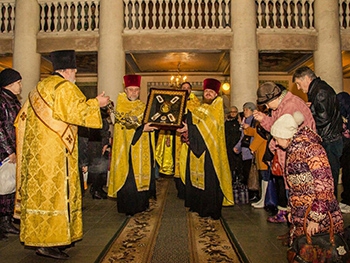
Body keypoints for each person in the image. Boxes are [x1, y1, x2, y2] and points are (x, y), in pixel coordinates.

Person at [15, 50, 110, 259]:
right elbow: (77, 112)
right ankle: (48, 244)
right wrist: (97, 103)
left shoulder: (38, 88)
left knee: (43, 197)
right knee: (58, 196)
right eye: (74, 70)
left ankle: (50, 239)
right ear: (67, 71)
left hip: (38, 155)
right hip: (56, 155)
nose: (75, 74)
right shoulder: (64, 87)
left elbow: (21, 119)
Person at [270, 112, 343, 245]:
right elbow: (295, 187)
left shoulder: (312, 149)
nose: (275, 143)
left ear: (286, 136)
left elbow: (324, 184)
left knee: (320, 252)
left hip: (317, 215)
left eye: (277, 138)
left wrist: (316, 218)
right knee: (304, 252)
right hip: (303, 214)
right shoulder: (293, 150)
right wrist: (291, 210)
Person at [253, 82, 315, 223]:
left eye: (267, 104)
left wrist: (272, 147)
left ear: (274, 98)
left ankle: (301, 232)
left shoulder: (290, 106)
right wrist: (263, 119)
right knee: (291, 197)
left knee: (298, 198)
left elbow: (283, 136)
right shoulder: (280, 106)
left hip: (299, 160)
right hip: (287, 157)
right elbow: (275, 127)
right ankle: (294, 231)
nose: (267, 108)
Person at [177, 78, 233, 220]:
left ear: (216, 94)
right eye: (206, 91)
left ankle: (210, 209)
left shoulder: (218, 105)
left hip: (210, 150)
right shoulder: (201, 108)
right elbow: (191, 119)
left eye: (211, 92)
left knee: (209, 180)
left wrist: (189, 127)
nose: (208, 94)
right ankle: (197, 205)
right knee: (195, 178)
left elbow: (211, 124)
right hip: (197, 148)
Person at [108, 74, 157, 216]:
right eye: (131, 90)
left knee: (142, 176)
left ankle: (142, 204)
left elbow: (149, 121)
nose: (134, 93)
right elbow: (125, 128)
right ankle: (128, 208)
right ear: (125, 90)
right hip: (127, 151)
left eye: (136, 90)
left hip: (143, 148)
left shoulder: (143, 106)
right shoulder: (121, 106)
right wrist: (143, 129)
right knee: (130, 181)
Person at [293, 66, 343, 198]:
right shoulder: (320, 89)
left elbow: (323, 119)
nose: (298, 88)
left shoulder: (320, 92)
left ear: (306, 78)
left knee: (328, 180)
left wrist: (309, 112)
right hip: (329, 139)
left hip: (329, 141)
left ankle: (329, 212)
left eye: (298, 83)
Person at [0, 68, 22, 241]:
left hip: (15, 149)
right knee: (3, 186)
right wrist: (10, 150)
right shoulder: (1, 101)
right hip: (4, 153)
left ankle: (6, 222)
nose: (20, 86)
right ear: (9, 83)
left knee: (10, 187)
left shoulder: (14, 101)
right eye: (18, 82)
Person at [174, 81, 200, 199]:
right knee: (178, 162)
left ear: (191, 90)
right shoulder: (175, 102)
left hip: (191, 137)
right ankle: (181, 190)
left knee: (189, 161)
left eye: (188, 88)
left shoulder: (196, 103)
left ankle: (190, 188)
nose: (185, 89)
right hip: (177, 137)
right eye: (183, 87)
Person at [78, 107, 111, 200]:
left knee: (101, 167)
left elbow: (104, 132)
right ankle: (95, 190)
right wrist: (83, 162)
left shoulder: (102, 119)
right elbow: (83, 140)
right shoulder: (88, 121)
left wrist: (105, 144)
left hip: (98, 145)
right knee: (96, 169)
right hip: (91, 146)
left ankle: (98, 188)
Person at [234, 102, 257, 200]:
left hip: (251, 151)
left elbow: (255, 135)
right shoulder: (245, 121)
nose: (245, 112)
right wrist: (238, 147)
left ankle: (255, 193)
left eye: (247, 110)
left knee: (252, 174)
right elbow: (243, 137)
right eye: (244, 110)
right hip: (245, 151)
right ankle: (251, 194)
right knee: (247, 173)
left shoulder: (254, 121)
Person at [336, 92, 350, 213]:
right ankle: (346, 199)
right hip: (346, 149)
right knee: (346, 174)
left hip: (348, 148)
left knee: (348, 174)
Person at [224, 106, 242, 182]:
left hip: (238, 145)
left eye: (235, 112)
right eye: (231, 112)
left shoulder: (239, 122)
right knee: (230, 163)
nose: (233, 114)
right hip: (229, 146)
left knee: (238, 163)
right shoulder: (227, 123)